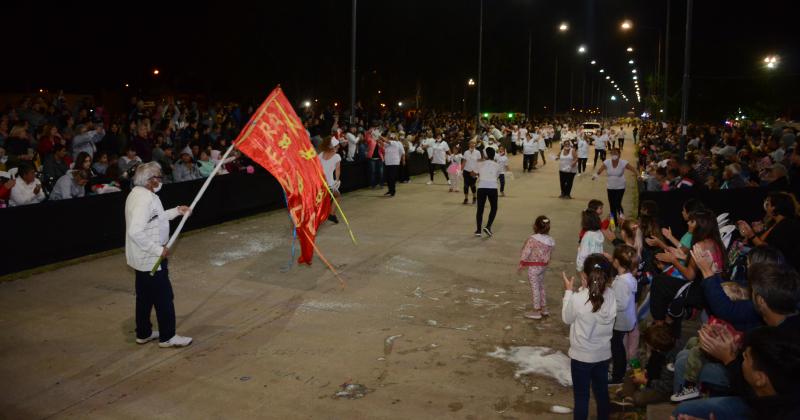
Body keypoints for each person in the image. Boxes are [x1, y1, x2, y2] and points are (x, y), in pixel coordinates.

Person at [125, 162, 192, 348]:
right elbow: (135, 231)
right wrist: (157, 249)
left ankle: (144, 333)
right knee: (164, 297)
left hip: (144, 258)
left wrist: (178, 211)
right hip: (150, 258)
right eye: (158, 177)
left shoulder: (144, 195)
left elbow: (157, 217)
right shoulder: (143, 199)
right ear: (149, 180)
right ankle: (168, 337)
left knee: (145, 297)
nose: (161, 180)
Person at [562, 254, 617, 420]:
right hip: (603, 355)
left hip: (581, 358)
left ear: (584, 276)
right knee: (601, 392)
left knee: (581, 397)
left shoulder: (578, 299)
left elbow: (566, 318)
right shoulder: (612, 296)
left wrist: (568, 293)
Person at [737, 191, 800, 269]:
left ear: (774, 207)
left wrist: (751, 235)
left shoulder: (787, 225)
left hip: (781, 268)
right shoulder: (774, 222)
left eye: (767, 204)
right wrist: (749, 236)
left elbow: (770, 253)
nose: (765, 206)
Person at [610, 244, 639, 385]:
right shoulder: (628, 277)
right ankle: (619, 371)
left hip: (621, 321)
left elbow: (620, 304)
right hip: (628, 319)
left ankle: (617, 376)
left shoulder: (621, 282)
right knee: (618, 346)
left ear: (616, 262)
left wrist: (607, 302)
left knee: (617, 348)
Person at [518, 216, 555, 319]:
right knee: (541, 286)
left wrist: (522, 262)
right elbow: (549, 254)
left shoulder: (532, 239)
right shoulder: (550, 240)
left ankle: (536, 310)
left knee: (535, 288)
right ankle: (544, 308)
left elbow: (526, 251)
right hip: (543, 267)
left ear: (535, 226)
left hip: (533, 267)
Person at [593, 148, 637, 225]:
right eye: (612, 153)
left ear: (619, 154)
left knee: (617, 204)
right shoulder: (607, 162)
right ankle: (613, 222)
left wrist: (639, 175)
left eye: (615, 153)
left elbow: (633, 169)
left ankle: (622, 221)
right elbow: (600, 170)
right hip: (610, 187)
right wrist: (596, 175)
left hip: (620, 187)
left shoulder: (623, 163)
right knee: (612, 205)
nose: (614, 155)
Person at [474, 147, 501, 237]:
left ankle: (478, 230)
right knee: (494, 208)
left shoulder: (480, 164)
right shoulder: (497, 165)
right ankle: (488, 226)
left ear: (485, 155)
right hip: (492, 188)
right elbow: (497, 175)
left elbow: (474, 173)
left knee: (480, 209)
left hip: (481, 187)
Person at [318, 137, 342, 222]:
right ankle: (331, 214)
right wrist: (337, 180)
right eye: (337, 146)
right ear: (332, 147)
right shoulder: (337, 156)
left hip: (319, 182)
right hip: (329, 183)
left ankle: (330, 214)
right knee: (338, 196)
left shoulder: (321, 154)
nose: (338, 147)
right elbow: (337, 170)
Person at [382, 133, 404, 197]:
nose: (389, 137)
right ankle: (390, 190)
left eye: (390, 136)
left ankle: (393, 191)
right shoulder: (387, 144)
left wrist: (379, 136)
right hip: (388, 162)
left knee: (392, 177)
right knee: (388, 178)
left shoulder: (395, 142)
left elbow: (385, 140)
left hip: (394, 162)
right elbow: (382, 143)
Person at [462, 139, 481, 205]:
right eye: (471, 143)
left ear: (475, 144)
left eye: (473, 143)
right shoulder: (466, 152)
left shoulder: (478, 152)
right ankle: (466, 198)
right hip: (466, 171)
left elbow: (479, 163)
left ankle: (474, 198)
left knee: (472, 185)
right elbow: (464, 161)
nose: (472, 144)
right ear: (469, 144)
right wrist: (461, 170)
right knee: (465, 186)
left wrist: (478, 172)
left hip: (474, 172)